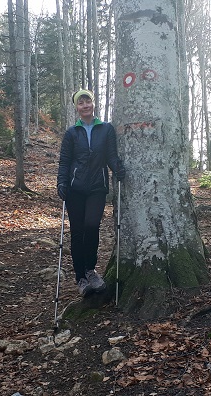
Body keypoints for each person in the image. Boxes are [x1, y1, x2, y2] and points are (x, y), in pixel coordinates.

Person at [57, 89, 125, 297]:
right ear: (76, 107)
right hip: (75, 189)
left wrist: (118, 168)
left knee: (92, 226)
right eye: (81, 103)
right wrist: (61, 183)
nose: (85, 105)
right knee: (77, 232)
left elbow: (111, 156)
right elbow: (65, 161)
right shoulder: (71, 133)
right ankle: (80, 277)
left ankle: (91, 270)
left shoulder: (106, 129)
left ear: (93, 104)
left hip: (97, 186)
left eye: (88, 101)